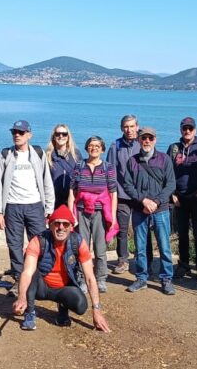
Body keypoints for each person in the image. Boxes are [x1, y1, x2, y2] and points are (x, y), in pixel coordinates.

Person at [12, 205, 110, 333]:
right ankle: (29, 312)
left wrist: (96, 310)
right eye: (57, 223)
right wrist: (21, 297)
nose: (61, 228)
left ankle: (63, 308)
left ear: (71, 227)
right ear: (50, 225)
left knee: (81, 306)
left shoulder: (78, 242)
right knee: (32, 272)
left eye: (65, 224)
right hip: (41, 287)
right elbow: (27, 272)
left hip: (63, 288)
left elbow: (90, 278)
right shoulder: (38, 240)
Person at [0, 119, 55, 288]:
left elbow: (47, 181)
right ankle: (19, 279)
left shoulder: (38, 153)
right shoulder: (6, 154)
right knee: (14, 245)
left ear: (29, 135)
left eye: (21, 132)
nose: (17, 135)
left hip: (35, 205)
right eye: (14, 132)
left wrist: (49, 207)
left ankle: (39, 278)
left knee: (40, 243)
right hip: (12, 206)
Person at [121, 125, 176, 294]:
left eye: (150, 138)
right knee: (141, 247)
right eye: (144, 138)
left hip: (161, 210)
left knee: (164, 246)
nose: (147, 141)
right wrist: (143, 200)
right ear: (139, 140)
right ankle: (141, 278)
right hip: (140, 209)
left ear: (155, 140)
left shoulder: (165, 159)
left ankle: (166, 279)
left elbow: (170, 184)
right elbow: (127, 185)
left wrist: (156, 202)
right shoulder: (132, 161)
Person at [67, 135, 118, 294]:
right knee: (82, 247)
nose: (94, 148)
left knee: (100, 248)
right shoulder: (79, 165)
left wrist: (113, 216)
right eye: (91, 145)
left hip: (100, 212)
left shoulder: (108, 167)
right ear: (86, 148)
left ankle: (101, 278)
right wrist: (71, 214)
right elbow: (72, 191)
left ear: (102, 149)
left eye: (97, 146)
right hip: (82, 211)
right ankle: (82, 278)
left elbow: (113, 193)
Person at [106, 114, 151, 273]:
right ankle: (123, 260)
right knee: (122, 230)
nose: (129, 130)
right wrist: (112, 194)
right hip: (122, 195)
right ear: (121, 128)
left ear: (137, 127)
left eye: (132, 126)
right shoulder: (116, 146)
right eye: (126, 126)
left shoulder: (144, 142)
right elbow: (110, 171)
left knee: (143, 229)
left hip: (141, 196)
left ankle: (146, 259)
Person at [168, 116, 197, 279]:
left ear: (195, 130)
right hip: (180, 199)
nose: (187, 131)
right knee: (182, 233)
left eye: (190, 128)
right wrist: (172, 194)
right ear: (180, 130)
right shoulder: (174, 148)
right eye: (184, 128)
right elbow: (167, 173)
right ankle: (183, 264)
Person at [45, 123, 81, 209]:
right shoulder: (47, 155)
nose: (61, 136)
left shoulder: (76, 154)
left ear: (68, 137)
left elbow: (81, 176)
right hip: (54, 201)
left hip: (72, 200)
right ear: (54, 137)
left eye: (64, 134)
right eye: (58, 134)